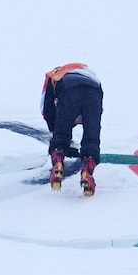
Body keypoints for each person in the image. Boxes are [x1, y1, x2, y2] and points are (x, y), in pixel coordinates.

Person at [41, 63, 104, 195]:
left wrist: (58, 129)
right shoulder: (93, 78)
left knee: (60, 135)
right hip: (94, 93)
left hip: (69, 89)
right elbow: (95, 115)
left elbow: (46, 108)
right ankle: (87, 170)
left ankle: (58, 162)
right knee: (92, 137)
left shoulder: (54, 74)